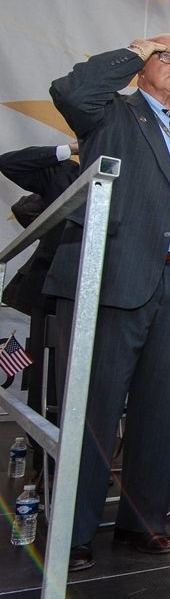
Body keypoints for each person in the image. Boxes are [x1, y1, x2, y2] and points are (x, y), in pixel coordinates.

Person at [47, 34, 170, 572]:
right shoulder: (113, 114)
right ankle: (74, 533)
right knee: (96, 407)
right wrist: (132, 51)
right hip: (118, 277)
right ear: (143, 64)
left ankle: (143, 523)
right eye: (165, 57)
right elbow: (71, 92)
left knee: (162, 411)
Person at [0, 142, 80, 478]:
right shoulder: (65, 173)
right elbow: (10, 163)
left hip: (109, 291)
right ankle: (42, 459)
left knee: (85, 382)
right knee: (46, 381)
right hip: (52, 289)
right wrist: (70, 148)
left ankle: (81, 459)